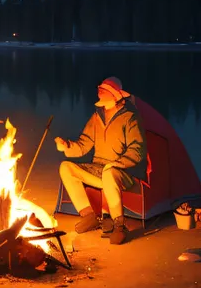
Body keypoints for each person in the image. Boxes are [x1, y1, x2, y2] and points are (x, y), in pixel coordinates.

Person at [55, 77, 147, 245]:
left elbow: (138, 149)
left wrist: (118, 163)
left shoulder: (130, 117)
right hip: (99, 168)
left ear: (115, 95)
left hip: (123, 172)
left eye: (104, 91)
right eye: (100, 90)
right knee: (66, 167)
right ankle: (89, 216)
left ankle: (119, 226)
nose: (100, 93)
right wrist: (66, 146)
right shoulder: (97, 117)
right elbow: (83, 145)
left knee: (109, 172)